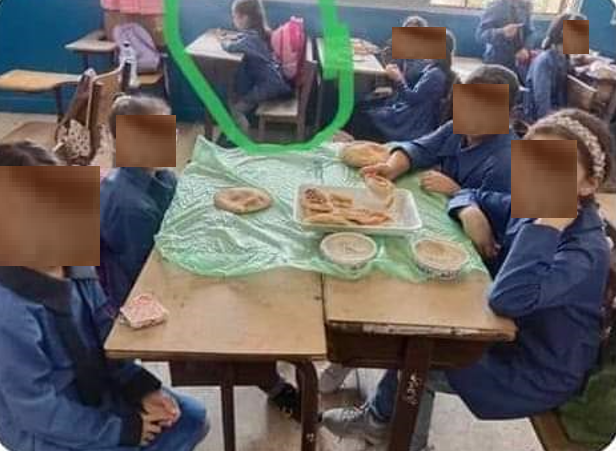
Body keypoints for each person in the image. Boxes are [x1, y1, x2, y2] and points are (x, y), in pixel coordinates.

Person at [320, 108, 614, 451]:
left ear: (588, 184)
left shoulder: (584, 251)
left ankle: (398, 437)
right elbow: (472, 195)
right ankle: (380, 419)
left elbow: (506, 299)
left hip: (536, 369)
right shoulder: (531, 205)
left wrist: (547, 225)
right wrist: (470, 210)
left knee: (420, 358)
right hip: (506, 334)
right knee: (417, 332)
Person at [0, 142, 210, 451]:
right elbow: (36, 411)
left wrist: (139, 386)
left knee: (192, 418)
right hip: (52, 427)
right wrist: (121, 430)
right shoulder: (10, 312)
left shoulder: (72, 258)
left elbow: (104, 332)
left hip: (98, 387)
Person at [99, 95, 178, 315]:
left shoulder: (163, 175)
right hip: (135, 293)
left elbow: (180, 213)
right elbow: (146, 273)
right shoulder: (132, 207)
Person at [348, 30, 458, 142]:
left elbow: (411, 98)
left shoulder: (435, 74)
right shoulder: (433, 68)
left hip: (411, 121)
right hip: (408, 112)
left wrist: (399, 79)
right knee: (363, 108)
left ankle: (356, 144)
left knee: (361, 115)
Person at [221, 0, 292, 132]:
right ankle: (236, 131)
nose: (233, 20)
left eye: (235, 16)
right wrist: (235, 37)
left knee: (236, 108)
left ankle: (243, 136)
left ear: (245, 18)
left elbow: (230, 47)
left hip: (269, 86)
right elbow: (244, 39)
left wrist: (223, 41)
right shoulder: (258, 33)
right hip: (273, 81)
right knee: (234, 98)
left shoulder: (250, 40)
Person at [523, 12, 587, 124]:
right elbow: (542, 106)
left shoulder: (564, 58)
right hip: (537, 116)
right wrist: (559, 123)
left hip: (556, 110)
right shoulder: (545, 61)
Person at [476, 0, 534, 79]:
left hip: (520, 64)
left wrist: (526, 48)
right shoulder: (495, 6)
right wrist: (502, 32)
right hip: (497, 62)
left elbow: (530, 32)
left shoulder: (525, 6)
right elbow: (480, 35)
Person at [379, 15, 430, 90]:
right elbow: (387, 56)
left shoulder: (425, 57)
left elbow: (410, 77)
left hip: (407, 91)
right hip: (393, 87)